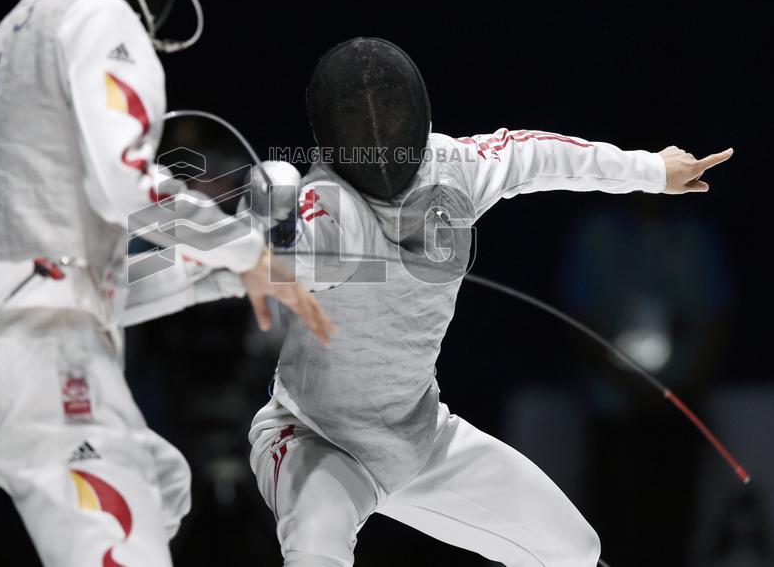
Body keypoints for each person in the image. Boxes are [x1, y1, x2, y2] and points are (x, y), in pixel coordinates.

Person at [0, 0, 332, 566]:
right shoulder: (99, 16)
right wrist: (240, 248)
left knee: (163, 484)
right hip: (43, 363)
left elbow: (77, 273)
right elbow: (124, 184)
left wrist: (226, 275)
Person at [246, 37, 734, 567]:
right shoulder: (324, 208)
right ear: (331, 136)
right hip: (313, 439)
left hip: (418, 438)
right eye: (356, 114)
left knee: (573, 550)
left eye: (389, 105)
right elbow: (282, 258)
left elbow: (538, 154)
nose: (378, 125)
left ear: (416, 109)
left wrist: (652, 171)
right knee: (315, 551)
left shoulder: (454, 167)